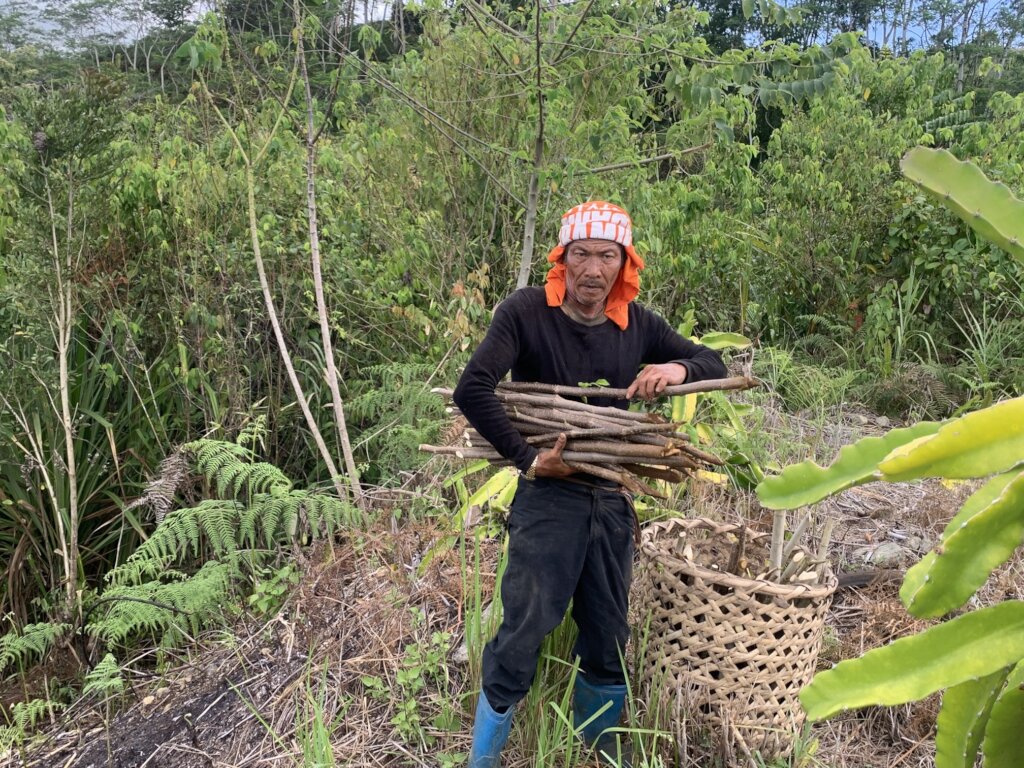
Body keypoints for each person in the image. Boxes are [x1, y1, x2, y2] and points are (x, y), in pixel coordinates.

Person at [453, 201, 727, 768]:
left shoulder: (636, 324)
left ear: (625, 264)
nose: (593, 270)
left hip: (610, 499)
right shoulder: (526, 312)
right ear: (563, 258)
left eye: (607, 256)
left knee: (607, 634)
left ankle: (598, 751)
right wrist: (530, 460)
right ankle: (483, 759)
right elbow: (472, 388)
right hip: (548, 499)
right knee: (524, 630)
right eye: (581, 254)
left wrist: (676, 369)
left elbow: (713, 362)